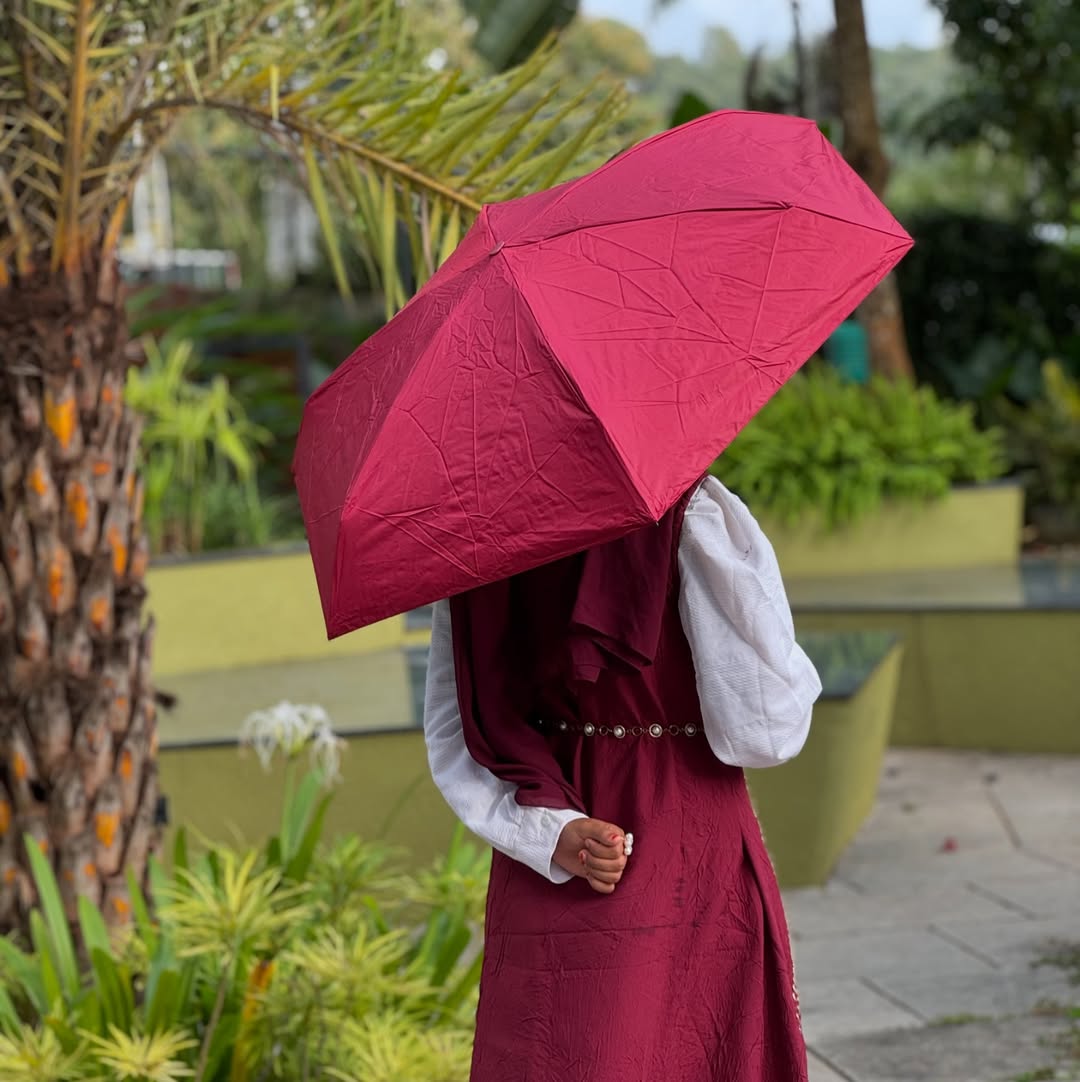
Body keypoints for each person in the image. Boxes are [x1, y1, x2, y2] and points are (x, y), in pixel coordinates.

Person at [422, 474, 822, 1082]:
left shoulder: (477, 537)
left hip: (555, 844)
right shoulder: (693, 513)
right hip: (686, 833)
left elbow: (457, 728)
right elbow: (764, 728)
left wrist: (547, 831)